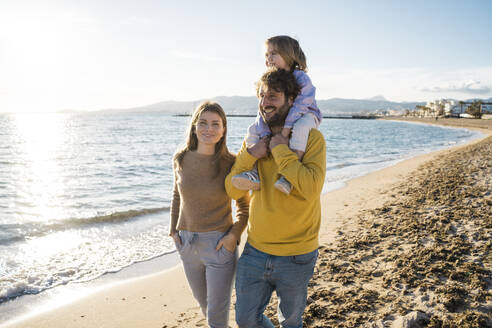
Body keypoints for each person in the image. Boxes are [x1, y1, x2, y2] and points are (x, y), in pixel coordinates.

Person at [225, 68, 326, 327]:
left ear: (291, 100)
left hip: (297, 253)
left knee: (291, 322)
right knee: (246, 321)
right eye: (262, 95)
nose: (265, 101)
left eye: (273, 95)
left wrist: (280, 150)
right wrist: (251, 155)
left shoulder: (312, 139)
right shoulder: (255, 140)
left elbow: (311, 187)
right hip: (255, 250)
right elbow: (232, 190)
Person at [169, 101, 250, 328]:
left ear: (223, 129)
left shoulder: (231, 163)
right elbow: (177, 196)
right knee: (204, 305)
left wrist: (233, 236)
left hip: (219, 245)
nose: (209, 129)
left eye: (216, 124)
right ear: (194, 126)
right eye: (203, 123)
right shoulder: (181, 159)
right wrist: (173, 232)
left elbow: (244, 206)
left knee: (216, 313)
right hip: (187, 243)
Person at [231, 35, 322, 195]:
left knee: (300, 128)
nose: (269, 59)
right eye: (266, 55)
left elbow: (300, 105)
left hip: (307, 115)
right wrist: (265, 137)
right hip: (287, 122)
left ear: (289, 55)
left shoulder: (300, 78)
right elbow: (261, 114)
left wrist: (286, 131)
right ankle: (253, 173)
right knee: (253, 128)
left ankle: (289, 174)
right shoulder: (269, 80)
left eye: (273, 54)